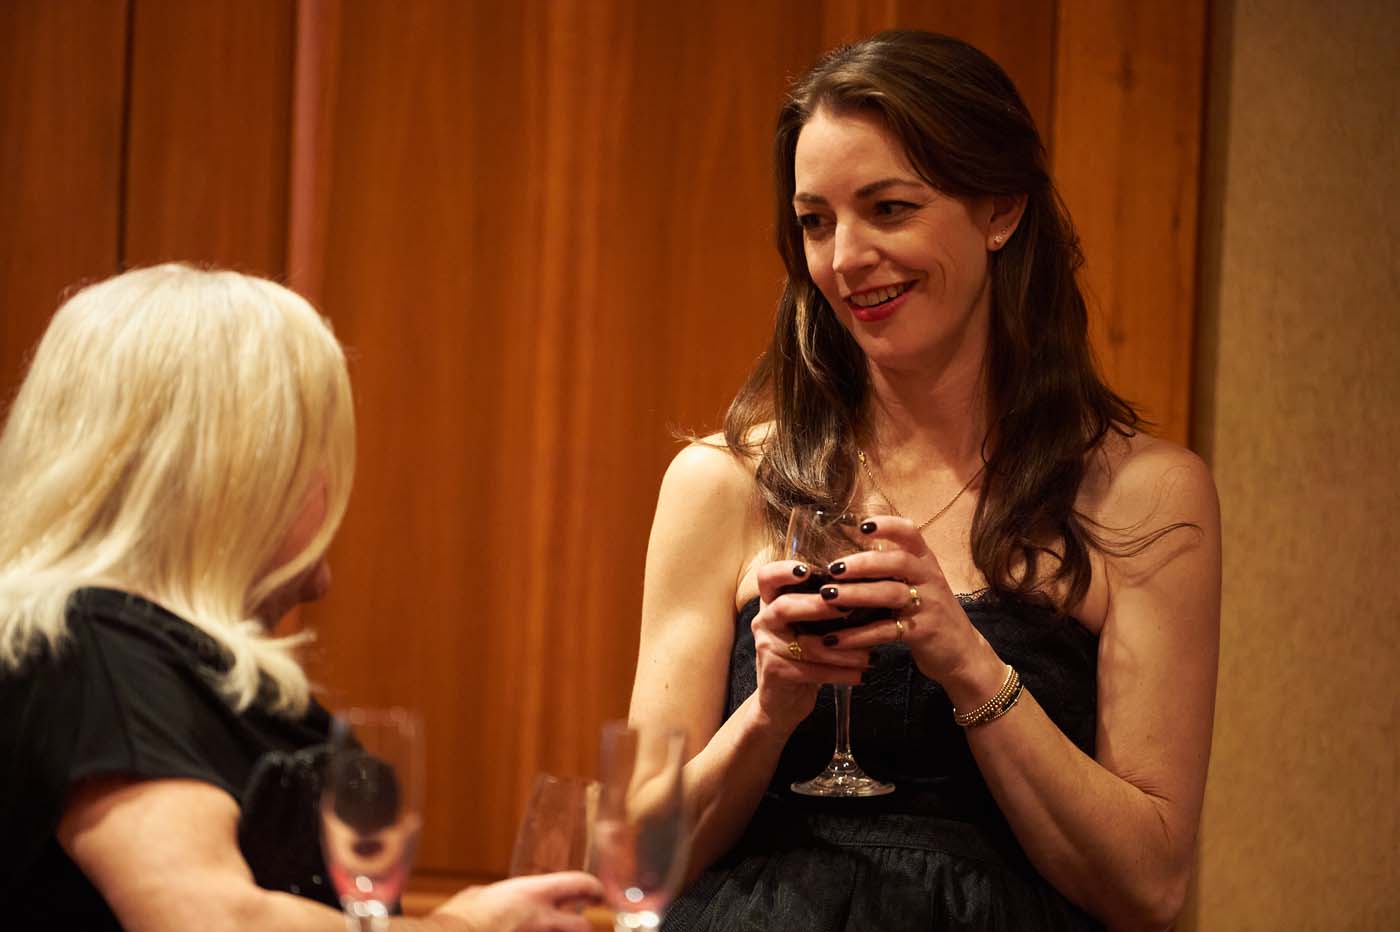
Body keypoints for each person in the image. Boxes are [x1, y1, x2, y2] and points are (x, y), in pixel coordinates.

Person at [630, 31, 1220, 932]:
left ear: (1001, 210)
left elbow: (1150, 887)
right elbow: (637, 857)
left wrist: (969, 664)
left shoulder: (1144, 496)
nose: (845, 259)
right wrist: (771, 710)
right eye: (816, 221)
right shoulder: (721, 482)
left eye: (890, 209)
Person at [0, 264, 600, 931]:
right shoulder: (95, 650)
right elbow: (211, 921)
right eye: (314, 450)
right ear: (237, 472)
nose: (334, 484)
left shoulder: (171, 666)